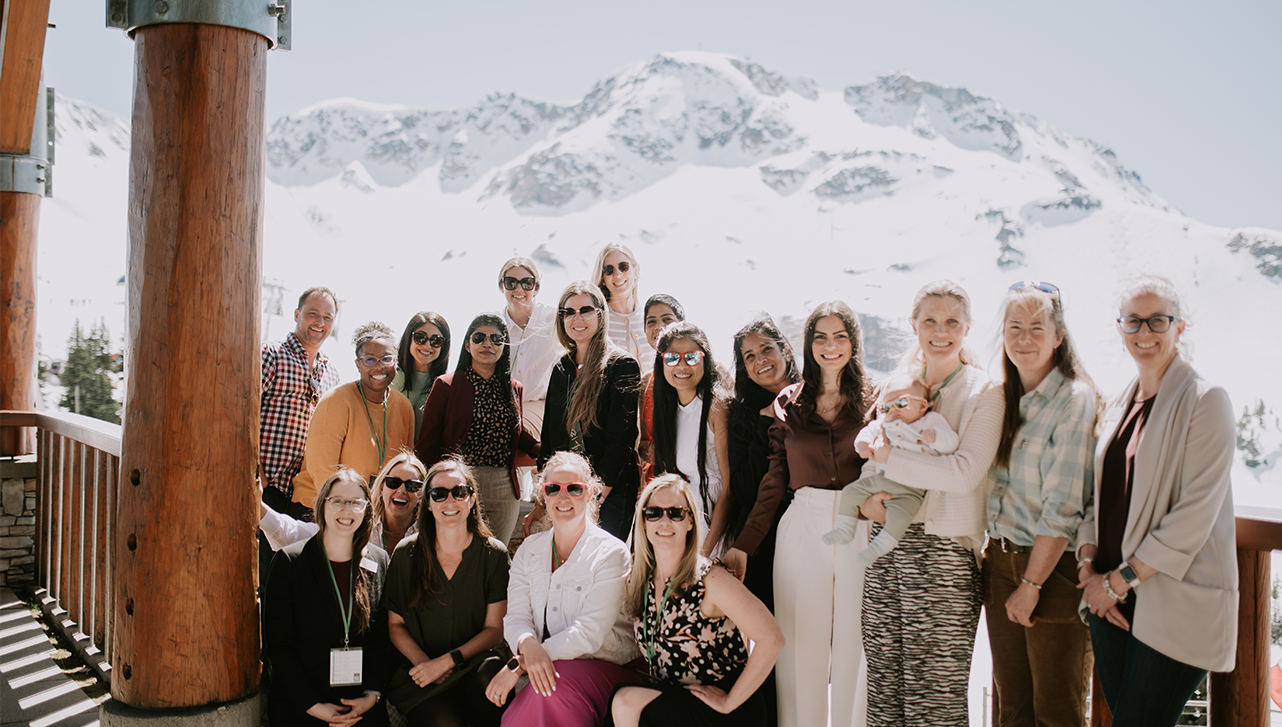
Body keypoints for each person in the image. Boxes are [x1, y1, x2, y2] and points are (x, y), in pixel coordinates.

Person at [1076, 275, 1236, 727]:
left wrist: (1118, 582)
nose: (1144, 332)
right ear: (1120, 327)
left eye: (1157, 320)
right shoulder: (1118, 404)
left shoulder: (1206, 401)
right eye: (1133, 321)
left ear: (1179, 326)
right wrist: (1087, 569)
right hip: (1108, 601)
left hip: (1169, 602)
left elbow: (1194, 514)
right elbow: (1099, 497)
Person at [858, 281, 1003, 726]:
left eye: (952, 322)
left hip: (943, 555)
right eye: (930, 321)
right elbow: (870, 457)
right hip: (885, 548)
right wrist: (866, 503)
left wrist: (890, 459)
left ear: (967, 327)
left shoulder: (985, 392)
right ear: (914, 325)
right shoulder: (898, 385)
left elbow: (963, 473)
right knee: (884, 689)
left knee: (934, 698)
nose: (941, 332)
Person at [722, 301, 872, 727]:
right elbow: (774, 480)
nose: (830, 346)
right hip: (803, 524)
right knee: (800, 647)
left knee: (856, 645)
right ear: (808, 345)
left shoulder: (875, 398)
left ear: (853, 343)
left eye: (840, 336)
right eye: (820, 337)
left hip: (860, 527)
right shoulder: (790, 401)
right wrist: (744, 546)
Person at [982, 282, 1099, 727]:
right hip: (1000, 564)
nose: (1024, 338)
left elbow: (1064, 506)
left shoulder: (1074, 399)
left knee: (1057, 714)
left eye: (1037, 327)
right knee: (1012, 710)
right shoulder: (1003, 398)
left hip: (1052, 570)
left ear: (1058, 336)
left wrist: (1031, 584)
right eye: (1015, 327)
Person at [608, 474, 784, 727]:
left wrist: (729, 701)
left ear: (690, 521)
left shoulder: (710, 579)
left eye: (675, 513)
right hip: (677, 700)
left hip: (723, 709)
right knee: (620, 697)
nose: (664, 521)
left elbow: (773, 638)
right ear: (644, 522)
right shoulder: (639, 582)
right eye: (654, 513)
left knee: (625, 700)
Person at [485, 452, 642, 726]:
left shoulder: (611, 553)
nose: (563, 496)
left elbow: (589, 634)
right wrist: (527, 644)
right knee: (548, 685)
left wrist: (520, 664)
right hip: (553, 668)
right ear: (543, 495)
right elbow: (516, 617)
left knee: (549, 688)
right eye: (553, 488)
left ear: (589, 492)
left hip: (608, 667)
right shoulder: (528, 550)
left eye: (574, 488)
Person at [384, 458, 512, 727]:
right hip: (420, 670)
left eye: (459, 492)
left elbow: (494, 630)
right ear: (428, 504)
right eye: (439, 494)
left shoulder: (494, 555)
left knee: (490, 677)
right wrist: (426, 664)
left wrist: (448, 661)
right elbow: (395, 625)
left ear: (472, 499)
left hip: (473, 664)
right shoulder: (406, 554)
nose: (450, 501)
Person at [719, 315, 801, 727]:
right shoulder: (742, 414)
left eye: (766, 348)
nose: (760, 360)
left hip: (810, 532)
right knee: (771, 639)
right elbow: (744, 488)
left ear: (785, 349)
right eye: (749, 356)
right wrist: (766, 421)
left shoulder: (814, 397)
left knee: (808, 640)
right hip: (760, 542)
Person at [264, 466, 391, 727]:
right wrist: (313, 706)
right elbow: (277, 645)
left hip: (360, 707)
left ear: (366, 510)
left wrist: (372, 695)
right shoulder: (290, 562)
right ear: (323, 506)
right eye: (338, 502)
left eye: (356, 503)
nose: (347, 510)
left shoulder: (379, 561)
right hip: (302, 706)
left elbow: (382, 638)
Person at [416, 314, 540, 545]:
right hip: (458, 485)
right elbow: (427, 442)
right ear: (467, 345)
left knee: (496, 556)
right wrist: (421, 489)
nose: (487, 344)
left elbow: (515, 431)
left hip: (503, 488)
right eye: (479, 337)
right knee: (458, 553)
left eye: (496, 339)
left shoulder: (514, 388)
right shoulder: (446, 385)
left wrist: (540, 448)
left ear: (504, 346)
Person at [533, 282, 642, 541]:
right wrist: (541, 499)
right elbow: (549, 438)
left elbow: (622, 438)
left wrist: (597, 498)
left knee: (601, 562)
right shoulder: (561, 368)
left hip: (610, 493)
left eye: (585, 310)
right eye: (569, 312)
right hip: (565, 492)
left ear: (600, 315)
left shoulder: (622, 365)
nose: (577, 318)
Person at [822, 374, 959, 567]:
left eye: (901, 403)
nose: (893, 410)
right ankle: (845, 529)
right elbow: (867, 432)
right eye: (886, 408)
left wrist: (935, 437)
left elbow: (952, 443)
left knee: (898, 520)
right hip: (883, 480)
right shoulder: (885, 424)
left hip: (913, 489)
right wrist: (863, 445)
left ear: (922, 406)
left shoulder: (931, 421)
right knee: (851, 491)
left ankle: (876, 550)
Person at [292, 322, 415, 516]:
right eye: (370, 360)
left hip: (368, 512)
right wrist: (348, 511)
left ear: (396, 361)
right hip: (321, 509)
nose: (379, 366)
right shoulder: (337, 400)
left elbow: (404, 467)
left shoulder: (403, 407)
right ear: (358, 364)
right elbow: (322, 470)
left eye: (386, 359)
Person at [649, 322, 732, 553]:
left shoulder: (716, 406)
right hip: (687, 517)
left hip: (715, 522)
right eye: (672, 358)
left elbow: (729, 488)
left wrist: (705, 551)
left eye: (692, 357)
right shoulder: (669, 411)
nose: (682, 365)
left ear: (705, 360)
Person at [260, 287, 342, 520]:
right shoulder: (271, 354)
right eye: (313, 314)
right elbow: (241, 413)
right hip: (267, 485)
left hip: (303, 497)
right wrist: (256, 475)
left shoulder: (332, 374)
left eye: (327, 317)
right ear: (297, 314)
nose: (320, 323)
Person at [262, 450, 426, 555]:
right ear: (382, 488)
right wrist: (259, 508)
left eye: (413, 486)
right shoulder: (359, 522)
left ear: (421, 494)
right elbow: (296, 534)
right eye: (393, 482)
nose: (402, 490)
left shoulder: (428, 534)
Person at [497, 257, 563, 439]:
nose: (519, 289)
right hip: (501, 406)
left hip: (538, 403)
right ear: (502, 286)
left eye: (527, 283)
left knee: (515, 429)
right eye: (511, 282)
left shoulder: (552, 320)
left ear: (536, 288)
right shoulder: (494, 326)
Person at [639, 294, 686, 484]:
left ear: (682, 324)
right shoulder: (645, 382)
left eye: (667, 319)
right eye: (651, 321)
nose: (659, 327)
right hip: (657, 482)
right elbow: (643, 444)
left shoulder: (708, 371)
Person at [592, 243, 654, 374]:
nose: (617, 274)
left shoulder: (651, 316)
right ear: (603, 279)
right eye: (609, 270)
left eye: (623, 267)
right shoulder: (597, 321)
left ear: (635, 271)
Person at [392, 312, 452, 440]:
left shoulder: (448, 388)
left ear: (444, 346)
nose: (427, 345)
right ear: (409, 338)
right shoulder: (389, 378)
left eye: (436, 340)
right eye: (420, 337)